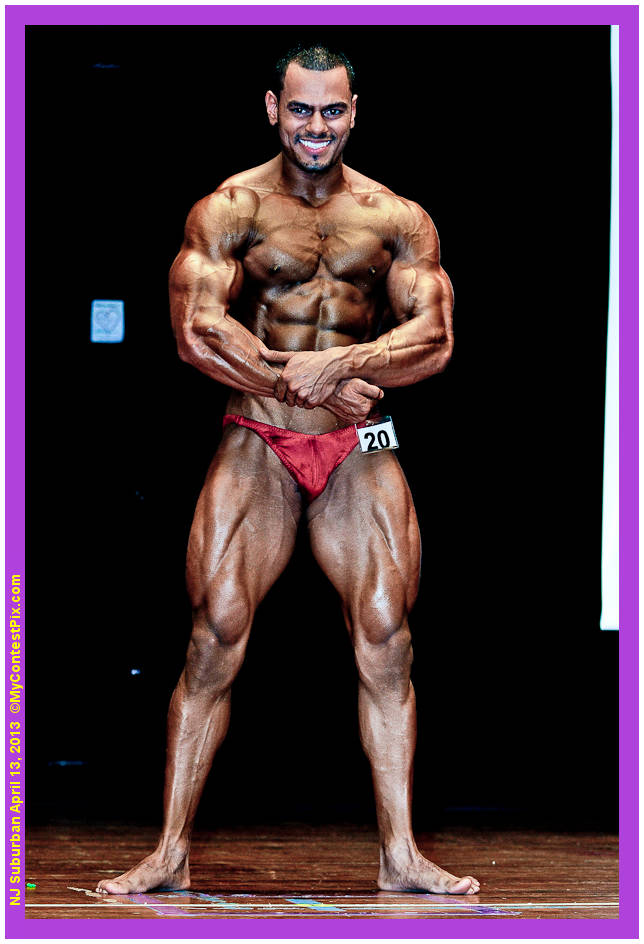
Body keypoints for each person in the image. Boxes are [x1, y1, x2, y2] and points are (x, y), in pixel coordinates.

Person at [97, 44, 479, 897]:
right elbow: (196, 332)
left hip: (360, 442)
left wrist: (349, 364)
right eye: (301, 109)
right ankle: (169, 851)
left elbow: (435, 338)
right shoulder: (231, 206)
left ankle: (401, 856)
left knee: (387, 638)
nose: (317, 127)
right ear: (273, 107)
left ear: (355, 112)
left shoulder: (396, 217)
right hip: (257, 434)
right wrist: (293, 382)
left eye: (332, 111)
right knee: (214, 635)